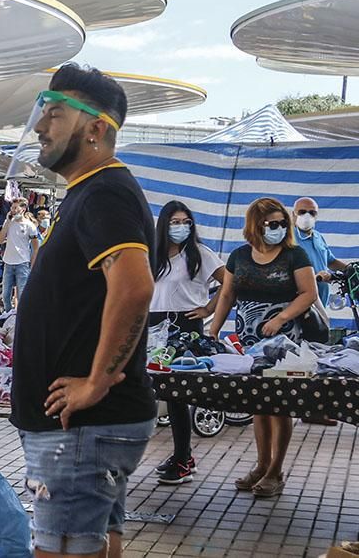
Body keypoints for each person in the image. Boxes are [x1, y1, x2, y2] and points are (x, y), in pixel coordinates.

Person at [11, 64, 157, 558]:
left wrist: (96, 380)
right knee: (94, 541)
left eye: (54, 113)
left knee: (63, 548)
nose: (39, 126)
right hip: (82, 430)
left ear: (95, 128)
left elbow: (135, 287)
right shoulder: (88, 193)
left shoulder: (105, 191)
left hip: (81, 429)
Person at [209, 197, 318, 498]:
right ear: (256, 225)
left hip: (284, 341)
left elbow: (308, 293)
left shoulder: (295, 255)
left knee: (279, 405)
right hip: (248, 340)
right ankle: (261, 464)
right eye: (273, 224)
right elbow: (227, 294)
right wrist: (214, 329)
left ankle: (275, 470)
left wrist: (281, 317)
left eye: (283, 223)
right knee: (259, 403)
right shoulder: (239, 256)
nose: (280, 228)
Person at [149, 201, 225, 485]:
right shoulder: (152, 254)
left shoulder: (200, 254)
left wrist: (209, 309)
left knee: (176, 394)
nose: (180, 227)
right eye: (175, 222)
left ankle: (182, 457)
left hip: (184, 326)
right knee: (156, 390)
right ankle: (182, 455)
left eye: (185, 222)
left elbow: (230, 282)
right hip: (153, 325)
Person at [293, 197, 349, 307]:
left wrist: (351, 269)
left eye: (312, 212)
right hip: (298, 303)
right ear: (293, 214)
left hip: (320, 302)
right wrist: (313, 278)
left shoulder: (317, 236)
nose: (307, 216)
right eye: (302, 212)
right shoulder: (288, 238)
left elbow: (331, 261)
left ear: (316, 216)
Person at [0, 198, 39, 310]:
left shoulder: (30, 226)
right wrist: (8, 222)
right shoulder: (9, 223)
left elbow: (36, 247)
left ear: (23, 209)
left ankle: (19, 317)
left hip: (22, 263)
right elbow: (0, 240)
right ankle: (8, 315)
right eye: (12, 207)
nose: (13, 210)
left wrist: (33, 264)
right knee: (5, 295)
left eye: (16, 208)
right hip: (8, 262)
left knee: (22, 295)